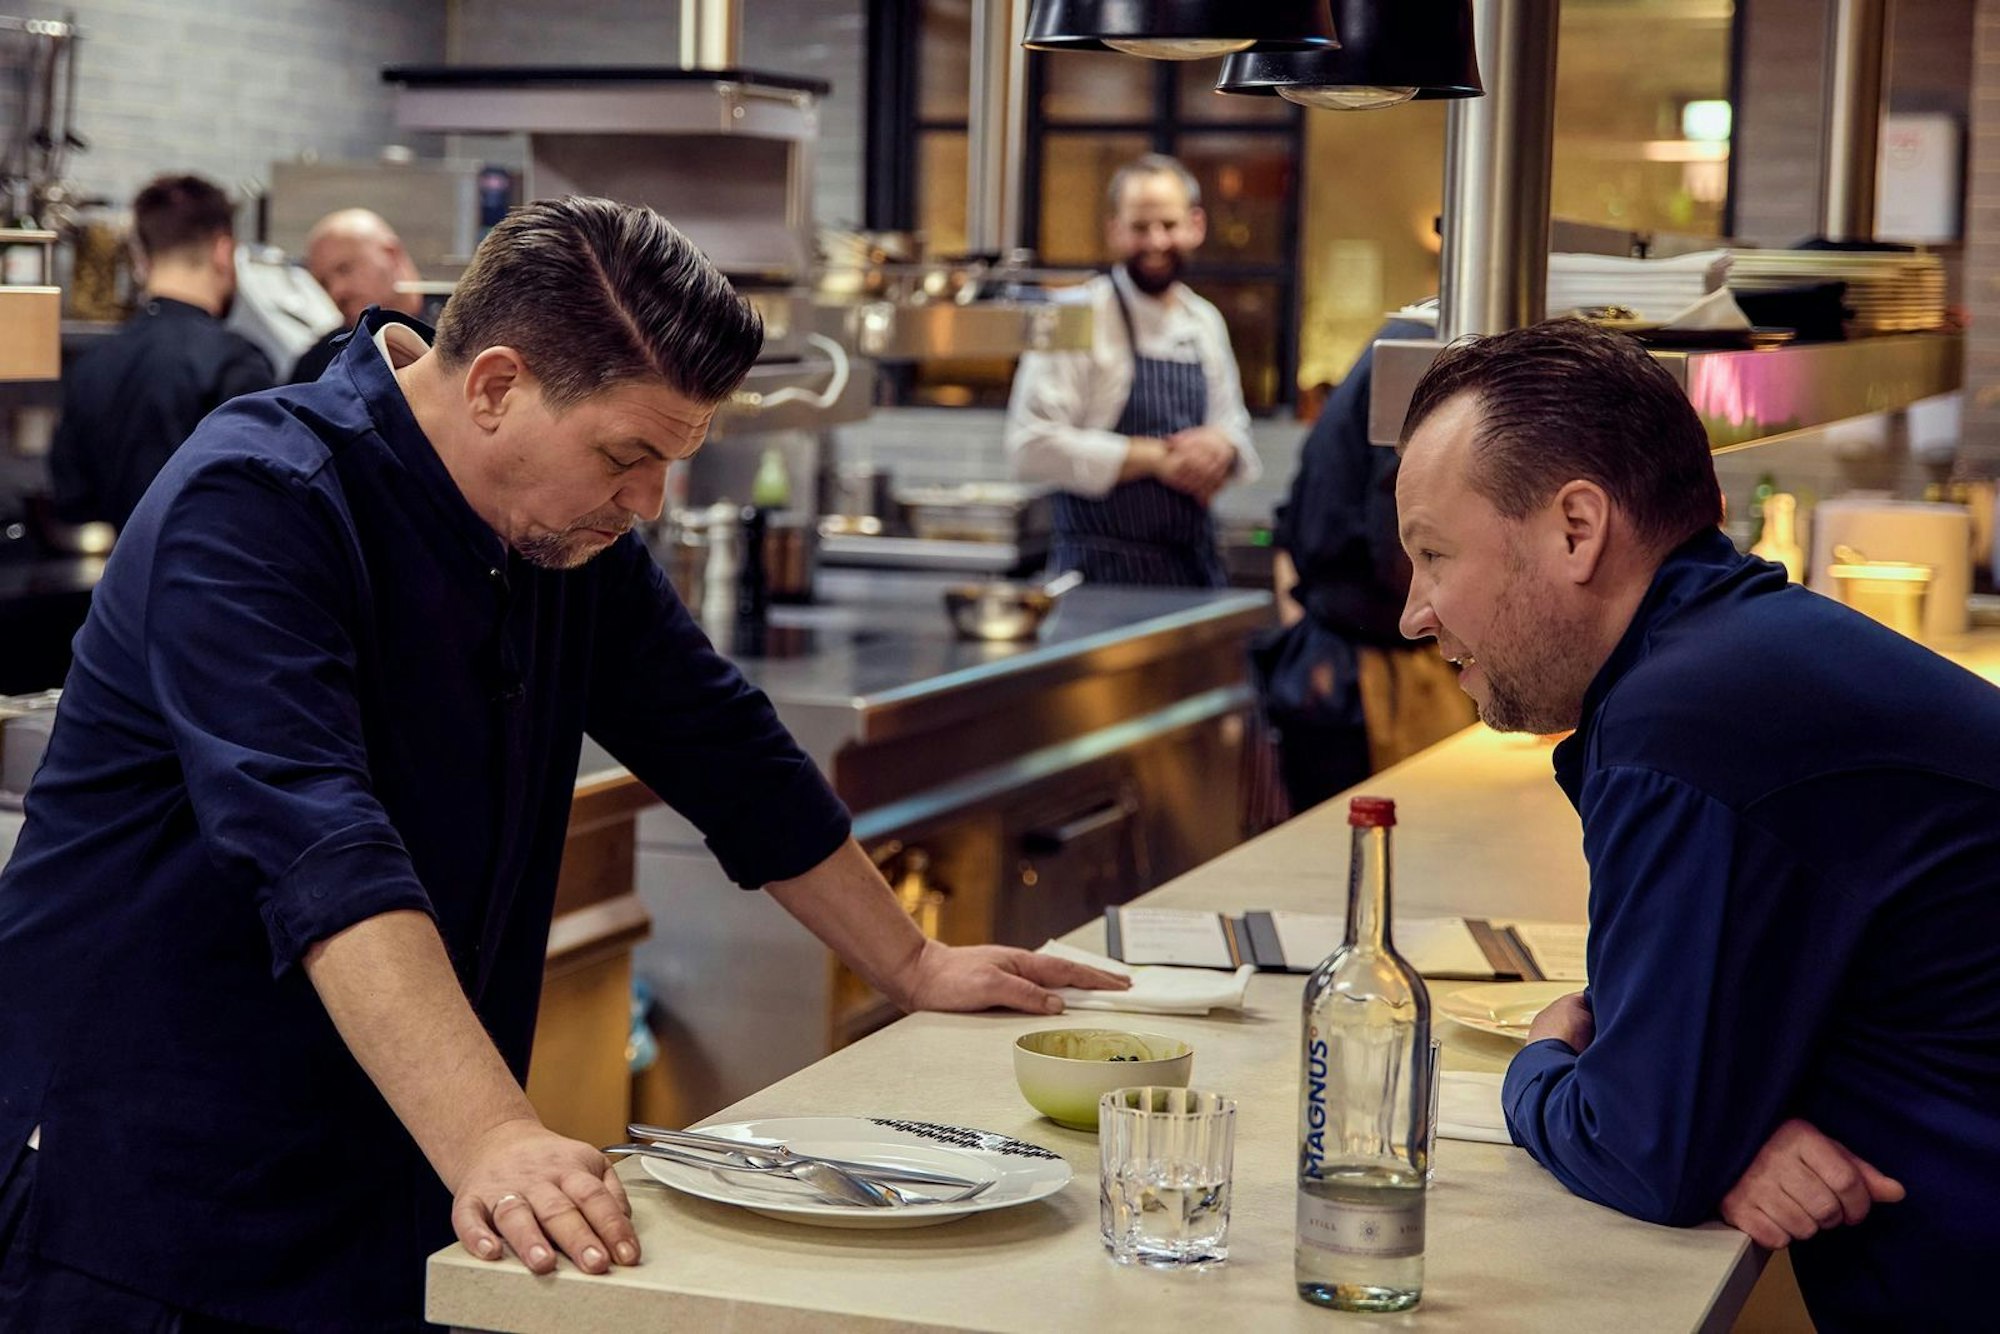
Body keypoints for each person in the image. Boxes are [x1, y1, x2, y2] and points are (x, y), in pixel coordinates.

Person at [0, 196, 1124, 1332]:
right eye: (627, 454)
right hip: (139, 1192)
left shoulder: (557, 530)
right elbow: (320, 845)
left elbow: (721, 738)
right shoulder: (257, 500)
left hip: (382, 1162)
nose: (647, 502)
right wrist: (493, 1130)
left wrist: (913, 962)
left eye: (671, 463)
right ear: (493, 385)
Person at [1393, 319, 2000, 1328]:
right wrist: (1712, 1118)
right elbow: (1676, 1080)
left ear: (1575, 528)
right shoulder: (1728, 651)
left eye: (1432, 554)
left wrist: (1541, 1064)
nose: (1414, 611)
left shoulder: (1685, 720)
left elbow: (1639, 1144)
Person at [1005, 153, 1258, 587]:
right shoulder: (1076, 316)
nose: (1156, 242)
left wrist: (1222, 449)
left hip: (1189, 573)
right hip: (1095, 573)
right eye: (1140, 228)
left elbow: (1233, 427)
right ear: (1114, 231)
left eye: (1169, 225)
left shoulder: (1204, 322)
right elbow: (1030, 445)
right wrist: (1159, 460)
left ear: (1196, 225)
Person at [1258, 318, 1473, 811]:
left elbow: (1287, 522)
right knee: (1368, 849)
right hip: (1364, 681)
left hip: (1326, 659)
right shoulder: (1421, 357)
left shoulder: (1397, 343)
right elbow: (1398, 542)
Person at [46, 173, 274, 531]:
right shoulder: (236, 361)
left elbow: (71, 501)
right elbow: (260, 508)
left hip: (118, 581)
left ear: (140, 259)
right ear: (223, 250)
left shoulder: (91, 365)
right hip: (210, 581)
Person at [291, 207, 427, 383]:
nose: (336, 291)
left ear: (391, 255)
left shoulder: (459, 332)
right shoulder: (320, 363)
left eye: (345, 269)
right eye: (324, 283)